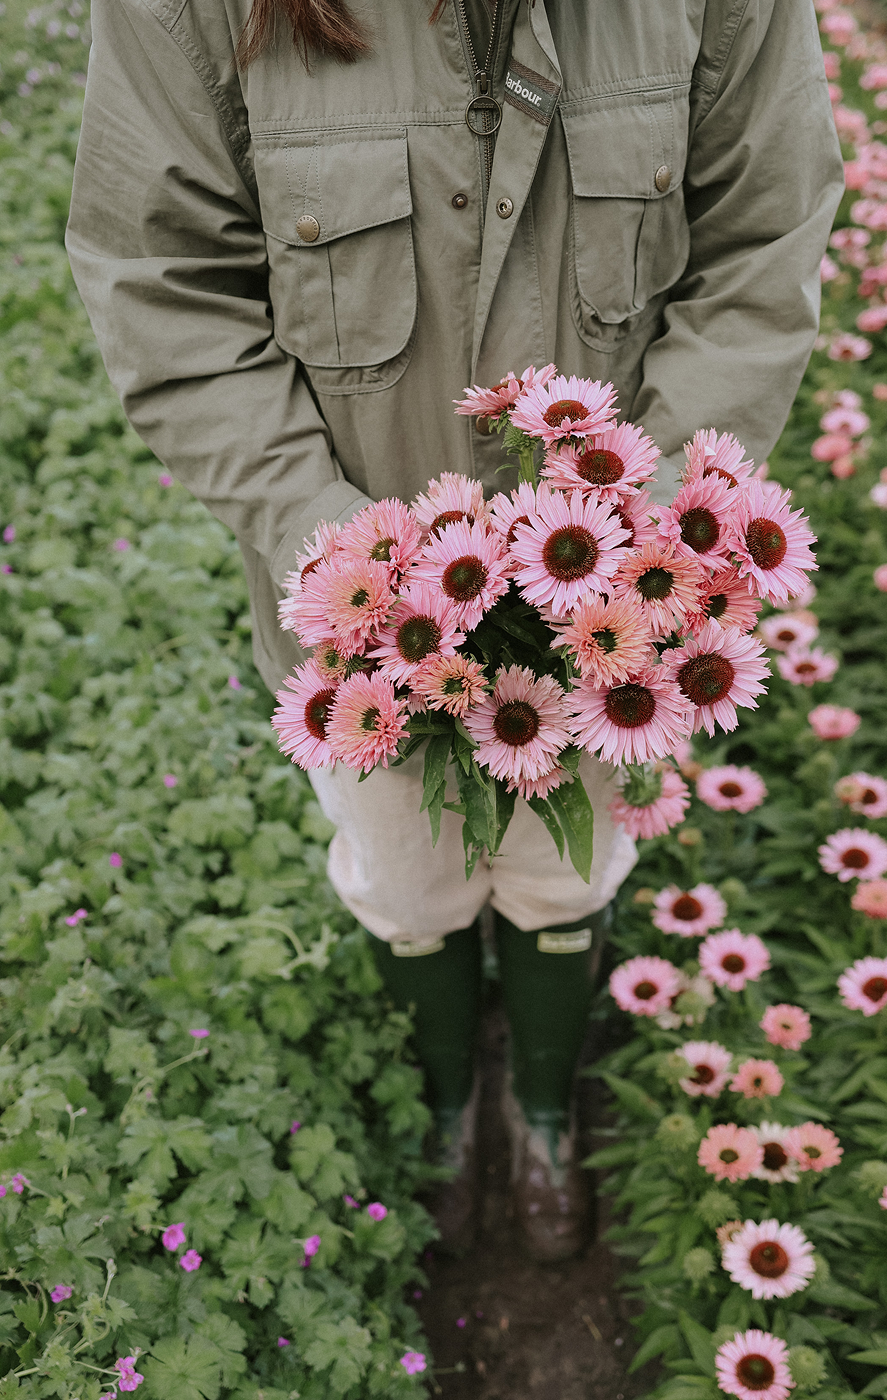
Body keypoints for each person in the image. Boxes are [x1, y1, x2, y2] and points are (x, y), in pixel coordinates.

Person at [66, 0, 842, 1261]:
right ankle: (446, 1098)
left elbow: (761, 246)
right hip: (356, 626)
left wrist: (642, 542)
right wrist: (340, 551)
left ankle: (538, 1104)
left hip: (615, 626)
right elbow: (167, 291)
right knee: (403, 874)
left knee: (565, 869)